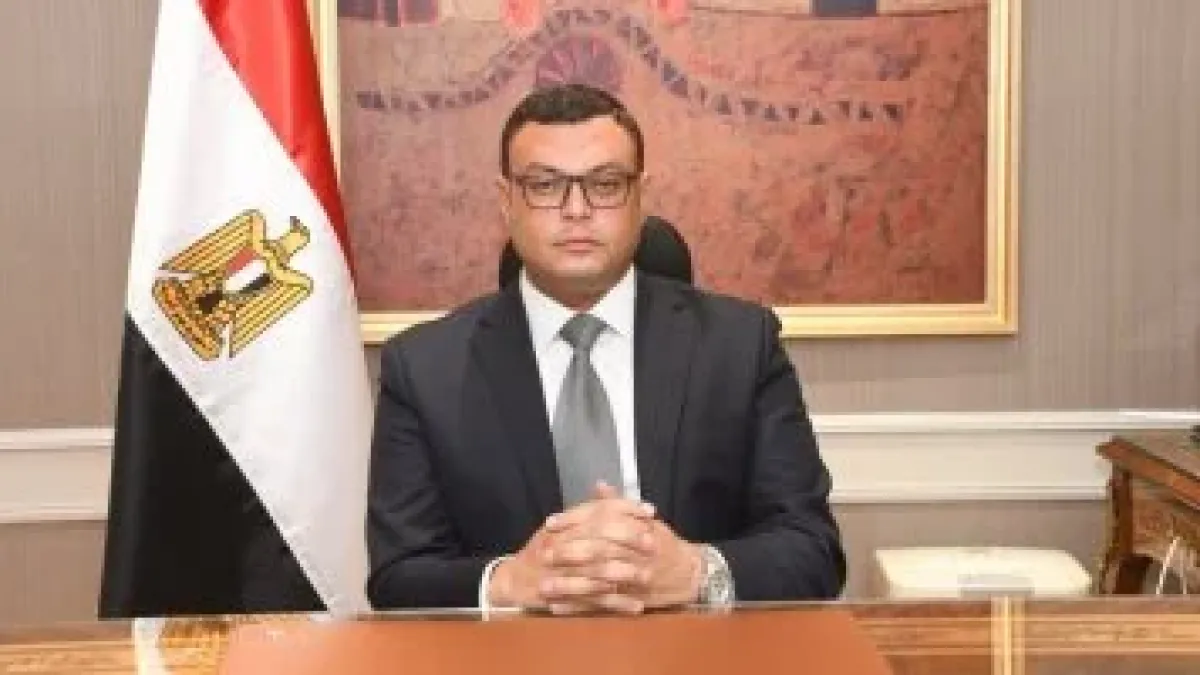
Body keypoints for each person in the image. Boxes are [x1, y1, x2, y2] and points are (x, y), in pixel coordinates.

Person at [367, 83, 844, 614]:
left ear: (641, 197)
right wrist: (509, 581)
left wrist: (695, 572)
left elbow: (813, 550)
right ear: (506, 201)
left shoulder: (740, 346)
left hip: (695, 649)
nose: (577, 209)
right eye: (545, 185)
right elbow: (398, 576)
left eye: (605, 184)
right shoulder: (424, 368)